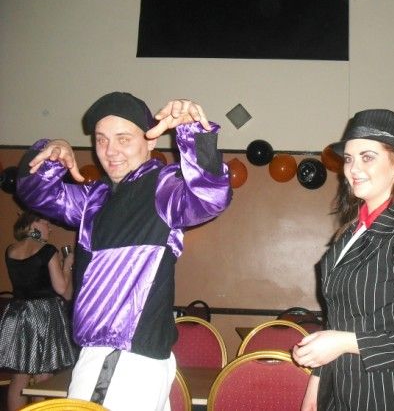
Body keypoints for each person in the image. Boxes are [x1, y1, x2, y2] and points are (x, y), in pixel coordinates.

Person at [16, 92, 232, 411]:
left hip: (121, 358)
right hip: (114, 358)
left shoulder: (163, 188)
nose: (110, 151)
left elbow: (211, 197)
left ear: (150, 141)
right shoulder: (94, 198)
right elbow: (35, 194)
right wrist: (51, 154)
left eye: (123, 139)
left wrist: (194, 133)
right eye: (101, 140)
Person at [293, 109, 394, 410]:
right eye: (348, 159)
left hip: (393, 396)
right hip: (341, 393)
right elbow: (338, 319)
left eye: (367, 157)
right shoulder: (350, 233)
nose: (352, 168)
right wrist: (316, 382)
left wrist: (344, 343)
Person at [0, 211, 76, 411]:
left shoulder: (11, 250)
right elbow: (63, 290)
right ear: (33, 225)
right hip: (44, 315)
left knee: (20, 376)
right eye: (46, 223)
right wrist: (67, 265)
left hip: (17, 314)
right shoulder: (47, 250)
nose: (50, 228)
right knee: (44, 377)